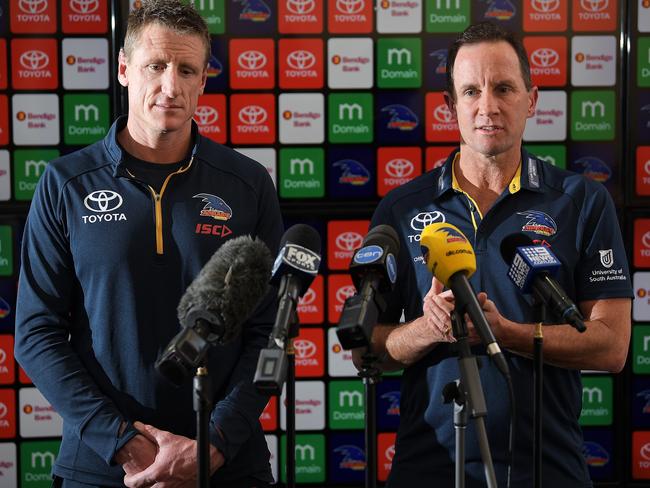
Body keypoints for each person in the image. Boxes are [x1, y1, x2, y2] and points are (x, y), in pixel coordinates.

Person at [14, 1, 281, 487]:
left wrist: (215, 443)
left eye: (187, 70)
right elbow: (36, 333)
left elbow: (270, 332)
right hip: (101, 467)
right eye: (155, 66)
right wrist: (124, 445)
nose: (170, 86)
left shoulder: (247, 184)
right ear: (123, 70)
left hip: (226, 465)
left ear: (203, 81)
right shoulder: (66, 184)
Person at [356, 22, 633, 487]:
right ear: (451, 106)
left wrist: (506, 333)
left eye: (504, 87)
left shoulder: (581, 201)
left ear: (532, 97)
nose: (488, 106)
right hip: (430, 470)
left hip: (548, 468)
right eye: (470, 91)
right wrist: (427, 328)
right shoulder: (402, 207)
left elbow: (612, 346)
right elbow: (367, 350)